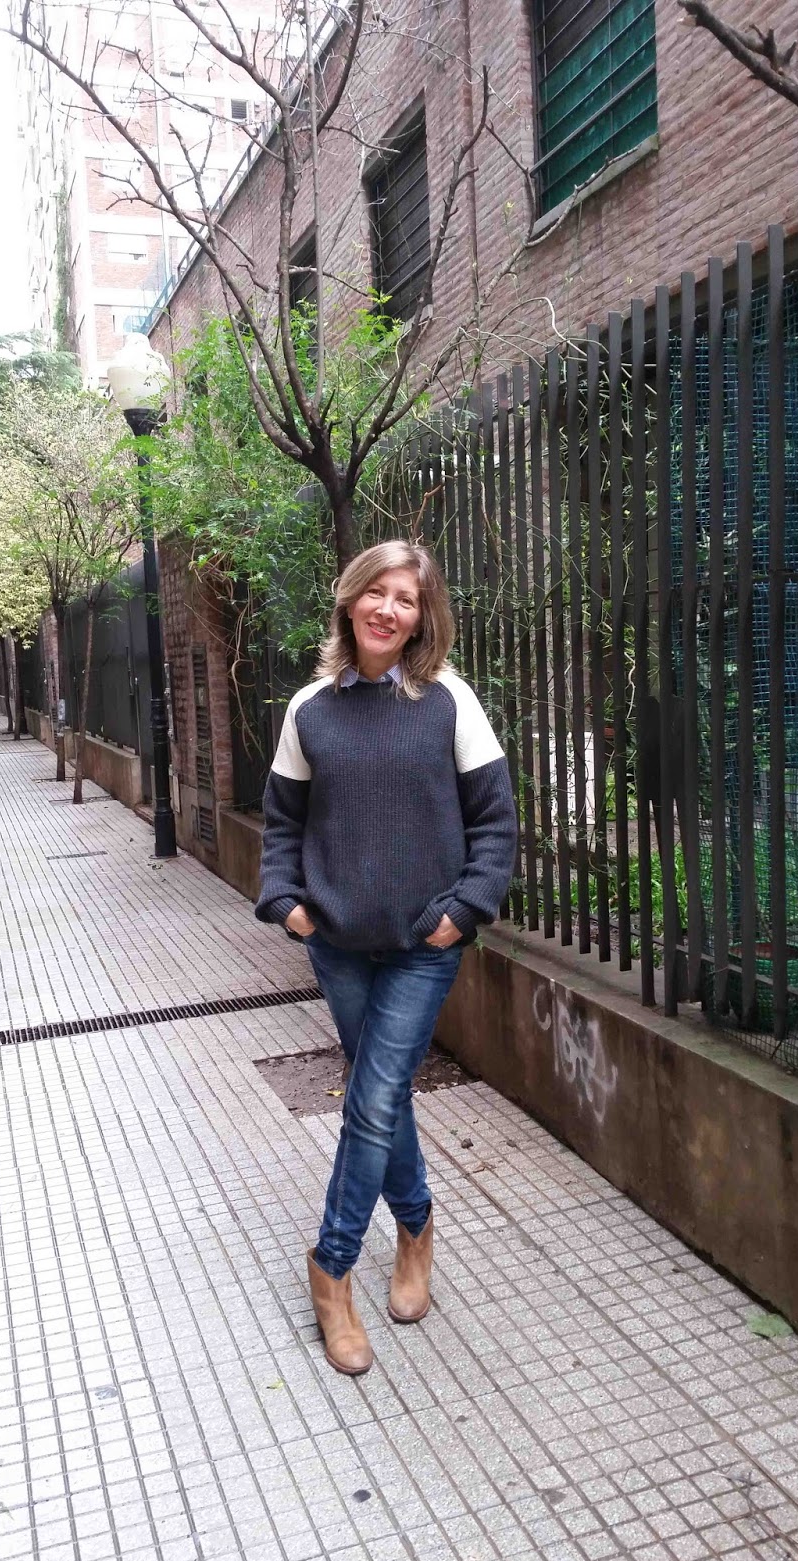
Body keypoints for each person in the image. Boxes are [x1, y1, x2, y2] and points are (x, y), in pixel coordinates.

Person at [255, 540, 517, 1376]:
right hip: (337, 945)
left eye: (406, 598)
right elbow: (282, 824)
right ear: (351, 600)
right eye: (378, 593)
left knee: (370, 1101)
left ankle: (331, 1269)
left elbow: (495, 823)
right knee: (383, 1097)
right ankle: (416, 1226)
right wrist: (289, 905)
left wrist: (460, 913)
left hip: (422, 948)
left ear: (421, 617)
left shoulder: (448, 701)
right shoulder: (311, 709)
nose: (389, 609)